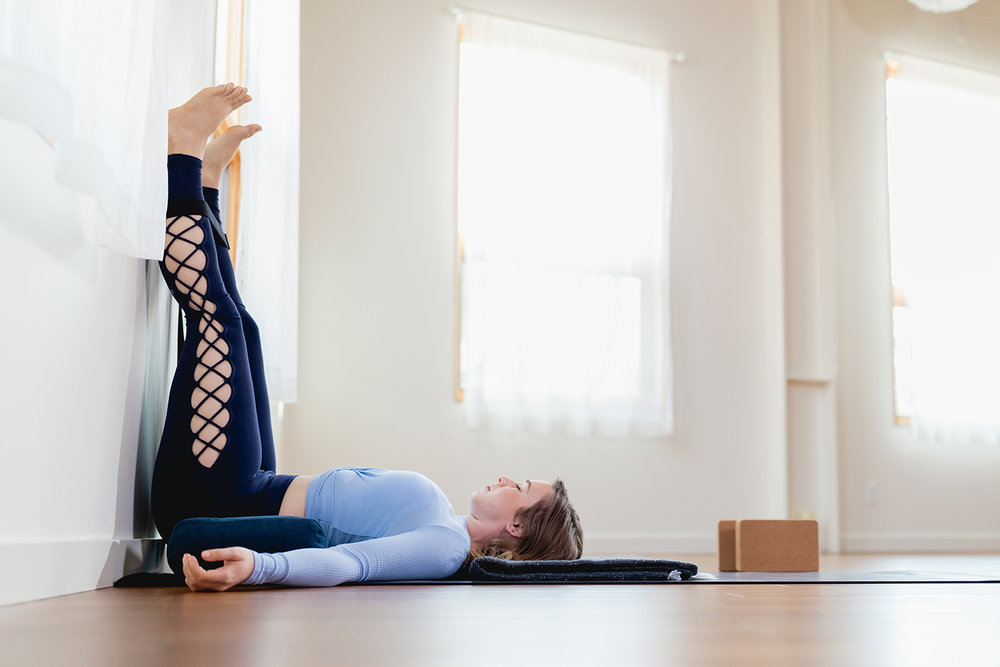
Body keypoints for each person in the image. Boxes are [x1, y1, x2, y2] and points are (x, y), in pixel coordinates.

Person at [154, 84, 584, 592]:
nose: (508, 477)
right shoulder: (443, 524)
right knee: (244, 331)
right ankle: (204, 185)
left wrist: (262, 566)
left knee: (220, 324)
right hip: (253, 486)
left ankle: (182, 148)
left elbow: (354, 563)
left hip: (226, 499)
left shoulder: (445, 547)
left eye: (521, 488)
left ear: (517, 526)